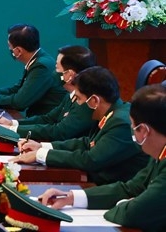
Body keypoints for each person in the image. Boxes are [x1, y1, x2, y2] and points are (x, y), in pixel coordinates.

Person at [39, 84, 166, 232]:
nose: (132, 133)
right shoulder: (159, 152)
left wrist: (124, 204)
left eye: (134, 127)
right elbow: (131, 188)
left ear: (144, 130)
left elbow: (132, 214)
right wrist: (71, 197)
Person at [11, 66, 149, 185]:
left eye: (78, 98)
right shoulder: (113, 112)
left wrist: (41, 155)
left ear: (94, 100)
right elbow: (87, 143)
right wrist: (42, 146)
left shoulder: (121, 123)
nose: (77, 103)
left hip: (112, 189)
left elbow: (90, 159)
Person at [0, 45, 97, 141]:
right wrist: (12, 123)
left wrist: (12, 129)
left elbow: (58, 132)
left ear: (69, 74)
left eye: (57, 68)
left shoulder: (87, 103)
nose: (54, 72)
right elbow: (48, 119)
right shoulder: (71, 95)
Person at [0, 24, 66, 116]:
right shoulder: (37, 59)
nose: (9, 49)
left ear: (18, 51)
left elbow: (19, 102)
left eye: (9, 46)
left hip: (44, 123)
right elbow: (17, 89)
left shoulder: (41, 66)